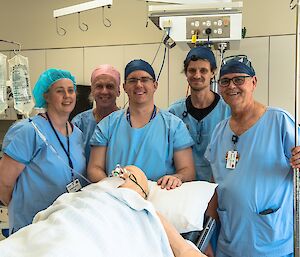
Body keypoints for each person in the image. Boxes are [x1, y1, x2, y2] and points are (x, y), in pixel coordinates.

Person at [205, 55, 300, 257]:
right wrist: (207, 238)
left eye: (239, 79)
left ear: (253, 82)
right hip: (229, 243)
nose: (232, 86)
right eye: (225, 81)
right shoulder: (219, 131)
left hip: (271, 243)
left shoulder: (279, 121)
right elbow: (214, 185)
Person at [0, 68, 87, 234]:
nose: (67, 96)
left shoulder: (77, 134)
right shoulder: (29, 131)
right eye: (59, 91)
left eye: (71, 90)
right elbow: (4, 184)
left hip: (65, 224)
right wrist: (22, 207)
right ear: (46, 96)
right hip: (31, 226)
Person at [88, 59, 195, 190]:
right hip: (117, 196)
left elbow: (187, 171)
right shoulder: (107, 125)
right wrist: (116, 188)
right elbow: (95, 168)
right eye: (132, 80)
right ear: (124, 87)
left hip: (159, 194)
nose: (139, 85)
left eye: (145, 79)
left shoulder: (174, 126)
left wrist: (177, 177)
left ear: (155, 85)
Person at [169, 46, 230, 182]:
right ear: (186, 73)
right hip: (183, 187)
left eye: (203, 70)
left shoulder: (228, 111)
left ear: (213, 73)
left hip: (219, 186)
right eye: (192, 70)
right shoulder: (173, 113)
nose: (197, 75)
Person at [72, 64, 120, 161]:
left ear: (118, 91)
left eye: (110, 86)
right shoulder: (79, 123)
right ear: (92, 91)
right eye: (99, 86)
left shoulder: (126, 122)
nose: (104, 91)